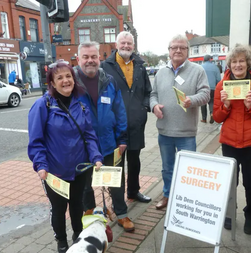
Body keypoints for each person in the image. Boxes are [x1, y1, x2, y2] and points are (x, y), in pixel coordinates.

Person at [27, 59, 103, 253]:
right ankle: (62, 243)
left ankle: (78, 239)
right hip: (55, 172)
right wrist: (41, 165)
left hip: (79, 169)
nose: (65, 80)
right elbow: (36, 140)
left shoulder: (81, 103)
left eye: (68, 76)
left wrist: (96, 156)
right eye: (59, 77)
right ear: (51, 82)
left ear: (73, 79)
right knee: (59, 210)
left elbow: (89, 135)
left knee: (77, 205)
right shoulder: (42, 105)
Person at [73, 41, 135, 232]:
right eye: (85, 57)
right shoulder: (70, 82)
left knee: (115, 181)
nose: (90, 60)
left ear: (99, 58)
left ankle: (122, 214)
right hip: (82, 147)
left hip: (109, 143)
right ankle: (89, 214)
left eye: (93, 56)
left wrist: (122, 138)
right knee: (85, 185)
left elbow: (120, 111)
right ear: (78, 59)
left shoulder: (109, 81)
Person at [213, 44, 251, 235]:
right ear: (229, 64)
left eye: (241, 61)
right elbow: (217, 118)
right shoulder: (222, 86)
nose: (238, 65)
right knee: (230, 182)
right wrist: (226, 105)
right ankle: (230, 213)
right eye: (234, 61)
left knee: (250, 182)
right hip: (229, 142)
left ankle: (250, 215)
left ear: (248, 63)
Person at [150, 34, 210, 210]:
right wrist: (154, 106)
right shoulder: (160, 72)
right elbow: (153, 94)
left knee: (188, 171)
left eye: (182, 47)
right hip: (165, 132)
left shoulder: (198, 71)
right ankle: (168, 195)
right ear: (168, 51)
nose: (177, 50)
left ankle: (185, 201)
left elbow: (206, 94)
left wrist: (191, 100)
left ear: (187, 51)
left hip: (186, 133)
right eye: (174, 47)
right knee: (167, 169)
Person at [101, 31, 152, 204]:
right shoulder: (106, 66)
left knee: (135, 161)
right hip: (116, 124)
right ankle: (117, 201)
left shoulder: (140, 64)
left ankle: (133, 191)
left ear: (133, 46)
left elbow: (147, 90)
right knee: (117, 164)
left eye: (129, 43)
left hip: (137, 122)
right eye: (123, 43)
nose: (126, 46)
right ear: (116, 45)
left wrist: (144, 107)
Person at [201, 55, 221, 124]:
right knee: (211, 101)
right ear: (210, 59)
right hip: (213, 88)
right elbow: (219, 79)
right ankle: (212, 113)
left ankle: (204, 118)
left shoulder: (201, 67)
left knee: (203, 103)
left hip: (203, 88)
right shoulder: (215, 67)